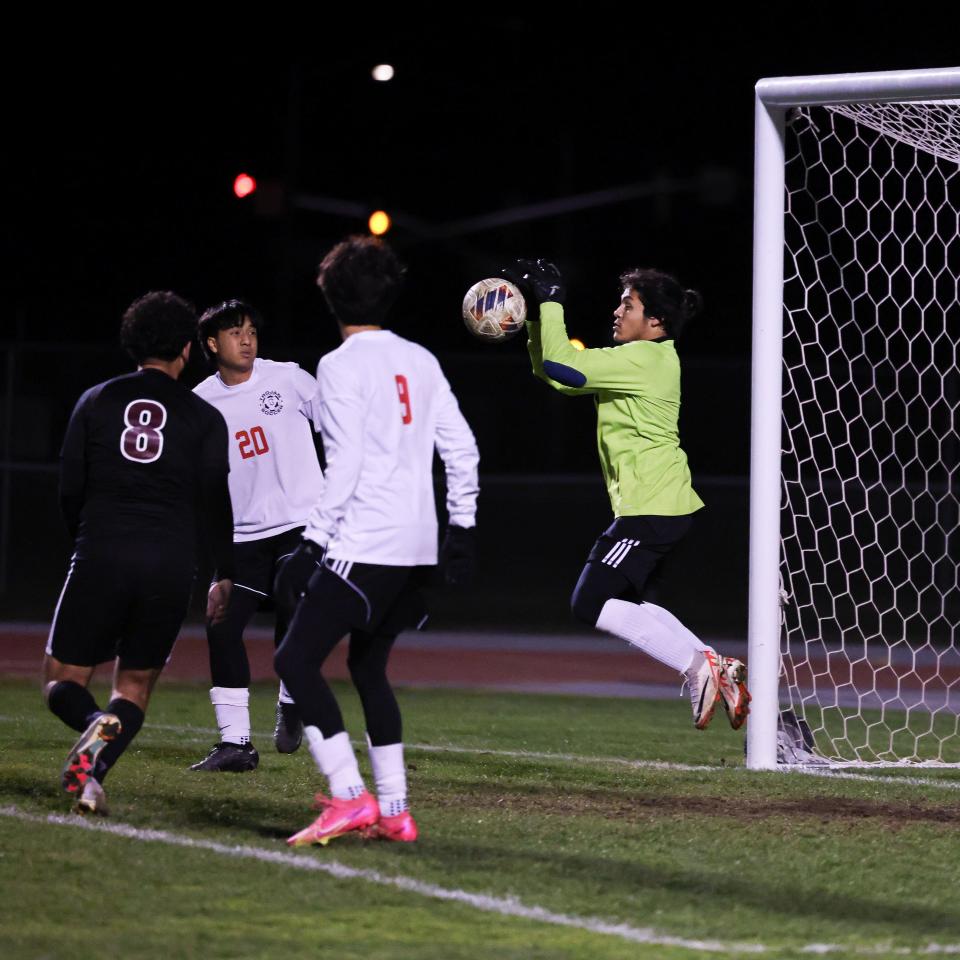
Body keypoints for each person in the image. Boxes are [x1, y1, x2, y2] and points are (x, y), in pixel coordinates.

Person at [274, 236, 479, 846]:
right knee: (367, 667)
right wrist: (461, 530)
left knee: (293, 661)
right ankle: (394, 809)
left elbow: (347, 463)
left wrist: (311, 545)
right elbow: (461, 448)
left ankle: (349, 798)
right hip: (415, 547)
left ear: (331, 296)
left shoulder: (338, 366)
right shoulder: (420, 358)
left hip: (365, 541)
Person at [514, 259, 750, 731]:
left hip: (651, 507)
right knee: (632, 602)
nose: (618, 312)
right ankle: (713, 665)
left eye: (629, 304)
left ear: (655, 320)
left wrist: (553, 301)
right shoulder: (643, 359)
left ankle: (700, 667)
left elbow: (566, 365)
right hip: (658, 506)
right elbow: (557, 374)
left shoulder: (647, 358)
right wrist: (540, 317)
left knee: (589, 602)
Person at [43, 291, 234, 815]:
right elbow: (216, 503)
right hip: (170, 563)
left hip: (102, 549)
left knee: (61, 680)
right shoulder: (204, 418)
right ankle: (90, 779)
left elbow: (69, 489)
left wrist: (81, 542)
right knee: (133, 686)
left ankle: (89, 723)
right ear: (187, 350)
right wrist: (224, 571)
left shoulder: (96, 399)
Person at [189, 300, 325, 772]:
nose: (246, 340)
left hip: (300, 524)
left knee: (295, 602)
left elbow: (338, 427)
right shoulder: (201, 402)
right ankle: (235, 745)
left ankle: (290, 702)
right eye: (234, 333)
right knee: (221, 624)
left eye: (250, 330)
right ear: (212, 344)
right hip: (242, 537)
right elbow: (199, 484)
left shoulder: (288, 378)